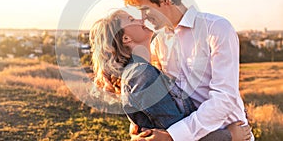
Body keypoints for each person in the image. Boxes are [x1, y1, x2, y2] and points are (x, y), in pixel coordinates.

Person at [123, 0, 254, 141]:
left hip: (228, 132)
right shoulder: (159, 42)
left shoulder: (216, 29)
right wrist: (138, 125)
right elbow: (159, 92)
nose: (143, 18)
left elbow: (224, 99)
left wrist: (173, 136)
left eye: (145, 10)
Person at [89, 10, 251, 141]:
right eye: (132, 19)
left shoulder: (146, 66)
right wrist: (228, 136)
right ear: (126, 38)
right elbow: (175, 130)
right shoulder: (141, 74)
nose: (140, 19)